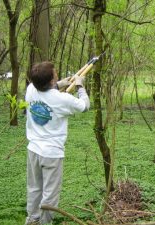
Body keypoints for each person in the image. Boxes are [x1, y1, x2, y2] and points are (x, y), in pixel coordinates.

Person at [24, 61, 90, 225]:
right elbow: (84, 106)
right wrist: (80, 86)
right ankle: (45, 223)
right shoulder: (63, 99)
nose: (57, 75)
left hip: (33, 150)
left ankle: (32, 220)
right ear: (51, 81)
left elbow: (48, 91)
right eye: (56, 75)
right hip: (52, 154)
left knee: (34, 188)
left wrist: (62, 83)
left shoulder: (31, 89)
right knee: (50, 194)